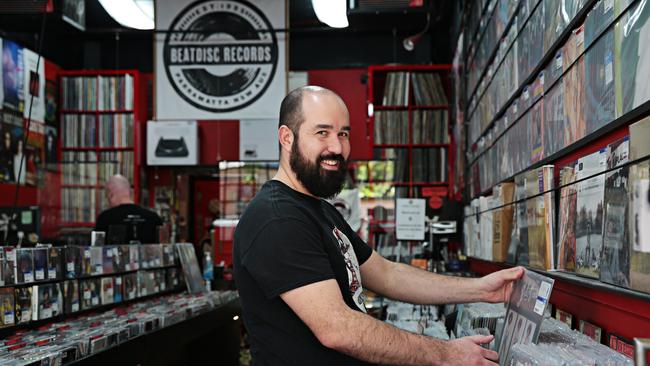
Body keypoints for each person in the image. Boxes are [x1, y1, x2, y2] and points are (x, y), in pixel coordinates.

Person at [233, 86, 524, 366]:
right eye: (322, 133)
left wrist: (481, 289)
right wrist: (447, 354)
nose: (337, 147)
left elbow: (387, 274)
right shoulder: (278, 218)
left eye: (343, 134)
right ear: (287, 137)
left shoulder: (318, 209)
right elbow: (337, 329)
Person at [95, 174, 163, 244]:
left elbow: (97, 250)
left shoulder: (105, 218)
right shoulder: (153, 217)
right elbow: (162, 248)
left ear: (110, 194)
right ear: (130, 192)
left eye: (106, 196)